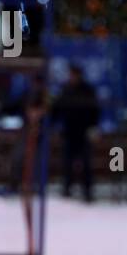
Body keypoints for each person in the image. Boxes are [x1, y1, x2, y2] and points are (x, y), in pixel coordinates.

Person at [52, 64, 101, 202]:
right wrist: (52, 123)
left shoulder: (88, 90)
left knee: (86, 162)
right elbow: (57, 109)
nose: (72, 77)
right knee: (67, 162)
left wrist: (93, 127)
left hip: (84, 132)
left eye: (74, 75)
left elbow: (95, 110)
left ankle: (88, 192)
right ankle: (67, 189)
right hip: (69, 132)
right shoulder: (65, 89)